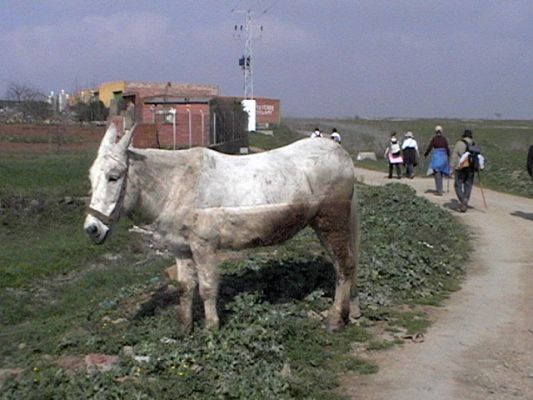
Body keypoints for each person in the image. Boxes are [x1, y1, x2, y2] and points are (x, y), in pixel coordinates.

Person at [451, 129, 476, 212]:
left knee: (457, 185)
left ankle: (463, 199)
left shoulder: (459, 143)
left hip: (460, 167)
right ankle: (465, 200)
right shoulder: (474, 144)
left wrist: (452, 166)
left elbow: (454, 155)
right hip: (471, 168)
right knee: (468, 185)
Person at [424, 125, 450, 195]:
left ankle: (439, 190)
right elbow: (447, 148)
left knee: (437, 173)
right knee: (441, 173)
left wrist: (426, 154)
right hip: (443, 157)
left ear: (436, 131)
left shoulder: (434, 139)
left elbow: (430, 147)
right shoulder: (444, 139)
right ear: (441, 131)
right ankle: (440, 188)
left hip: (437, 157)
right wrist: (448, 155)